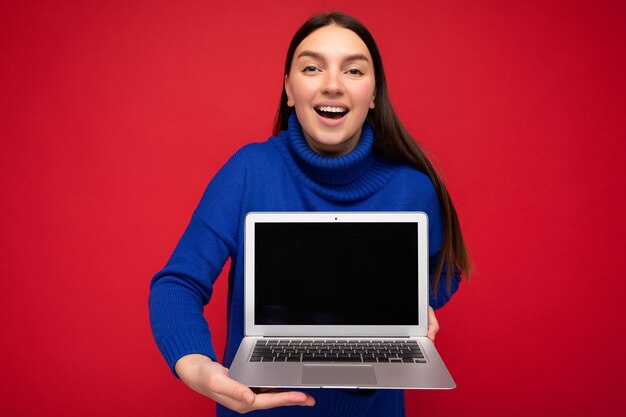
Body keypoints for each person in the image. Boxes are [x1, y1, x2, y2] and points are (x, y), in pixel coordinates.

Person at [149, 11, 471, 417]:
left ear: (374, 94)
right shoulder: (248, 171)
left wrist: (415, 302)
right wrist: (195, 364)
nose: (332, 85)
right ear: (288, 89)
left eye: (353, 70)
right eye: (312, 68)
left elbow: (446, 272)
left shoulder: (412, 188)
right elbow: (177, 283)